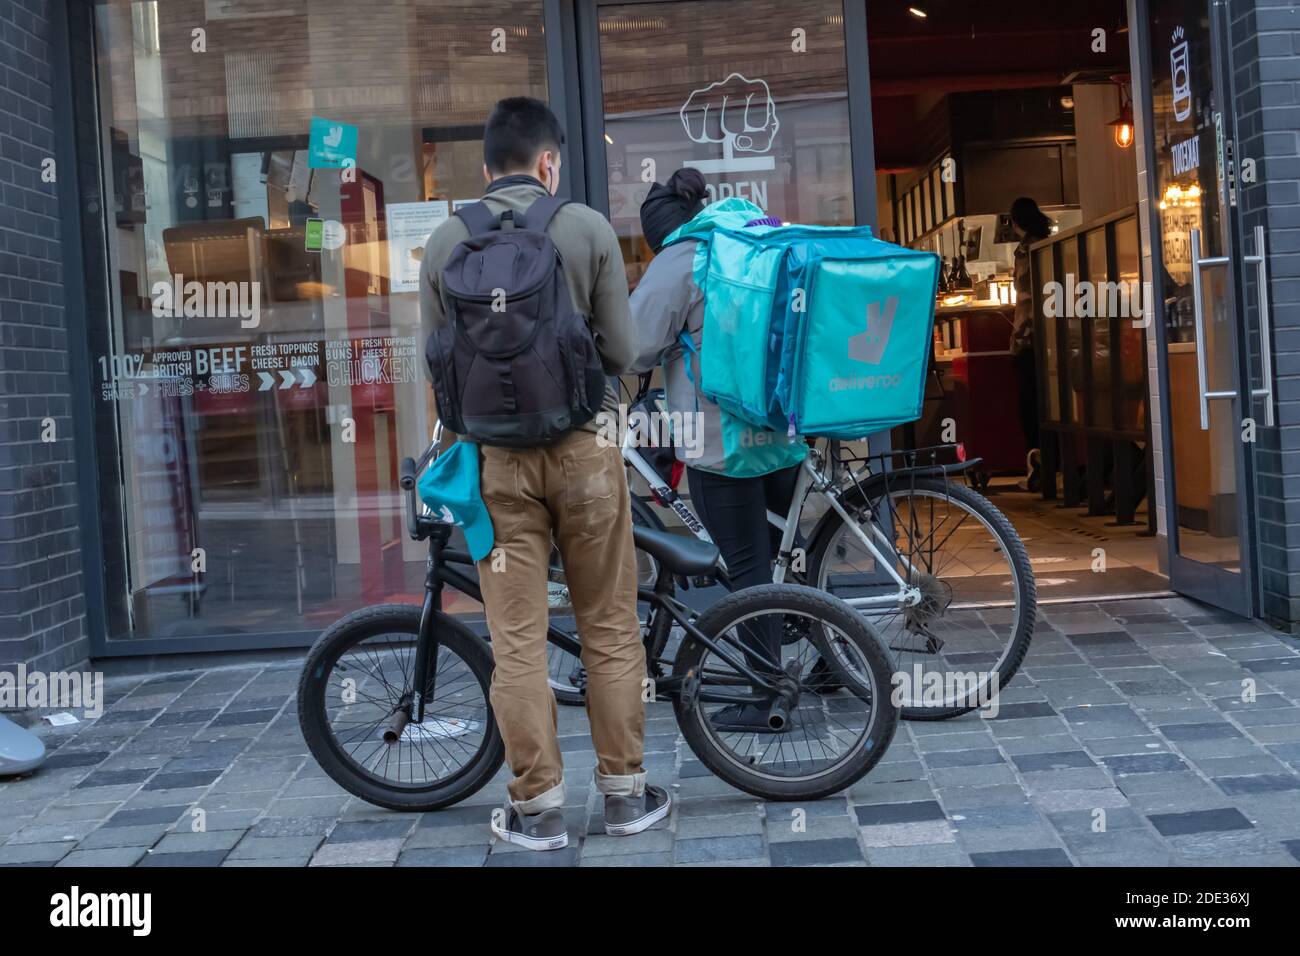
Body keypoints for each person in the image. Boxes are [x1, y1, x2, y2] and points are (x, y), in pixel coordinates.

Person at [419, 97, 668, 850]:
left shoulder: (442, 243)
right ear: (549, 162)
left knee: (518, 640)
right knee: (610, 628)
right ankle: (624, 798)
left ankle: (540, 811)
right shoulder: (586, 227)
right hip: (586, 456)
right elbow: (622, 354)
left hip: (494, 466)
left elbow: (437, 368)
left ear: (486, 167)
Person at [628, 169, 822, 733]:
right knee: (790, 552)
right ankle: (836, 654)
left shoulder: (681, 257)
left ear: (660, 231)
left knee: (747, 569)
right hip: (782, 429)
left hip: (721, 442)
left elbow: (636, 347)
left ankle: (765, 695)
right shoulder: (760, 236)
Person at [1007, 196, 1052, 492]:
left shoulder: (1025, 250)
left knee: (1030, 405)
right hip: (1050, 336)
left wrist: (1019, 333)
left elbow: (1025, 294)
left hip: (1028, 337)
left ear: (1016, 222)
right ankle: (1048, 467)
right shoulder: (1049, 244)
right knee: (1046, 403)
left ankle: (1039, 467)